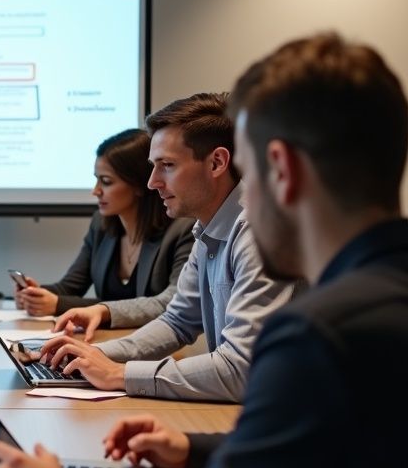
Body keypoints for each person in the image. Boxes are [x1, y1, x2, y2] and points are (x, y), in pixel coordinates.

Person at [0, 33, 408, 468]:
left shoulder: (320, 338)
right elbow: (339, 439)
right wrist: (199, 449)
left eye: (250, 173)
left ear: (279, 170)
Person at [38, 93, 297, 402]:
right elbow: (176, 322)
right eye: (153, 166)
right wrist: (87, 354)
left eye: (167, 166)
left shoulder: (259, 232)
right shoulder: (209, 227)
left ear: (217, 162)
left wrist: (118, 374)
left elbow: (242, 368)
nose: (152, 182)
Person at [14, 129, 195, 327]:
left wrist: (59, 304)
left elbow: (171, 304)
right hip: (109, 340)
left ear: (140, 185)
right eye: (96, 179)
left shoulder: (183, 229)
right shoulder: (100, 224)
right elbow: (70, 287)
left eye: (106, 181)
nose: (95, 191)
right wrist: (36, 295)